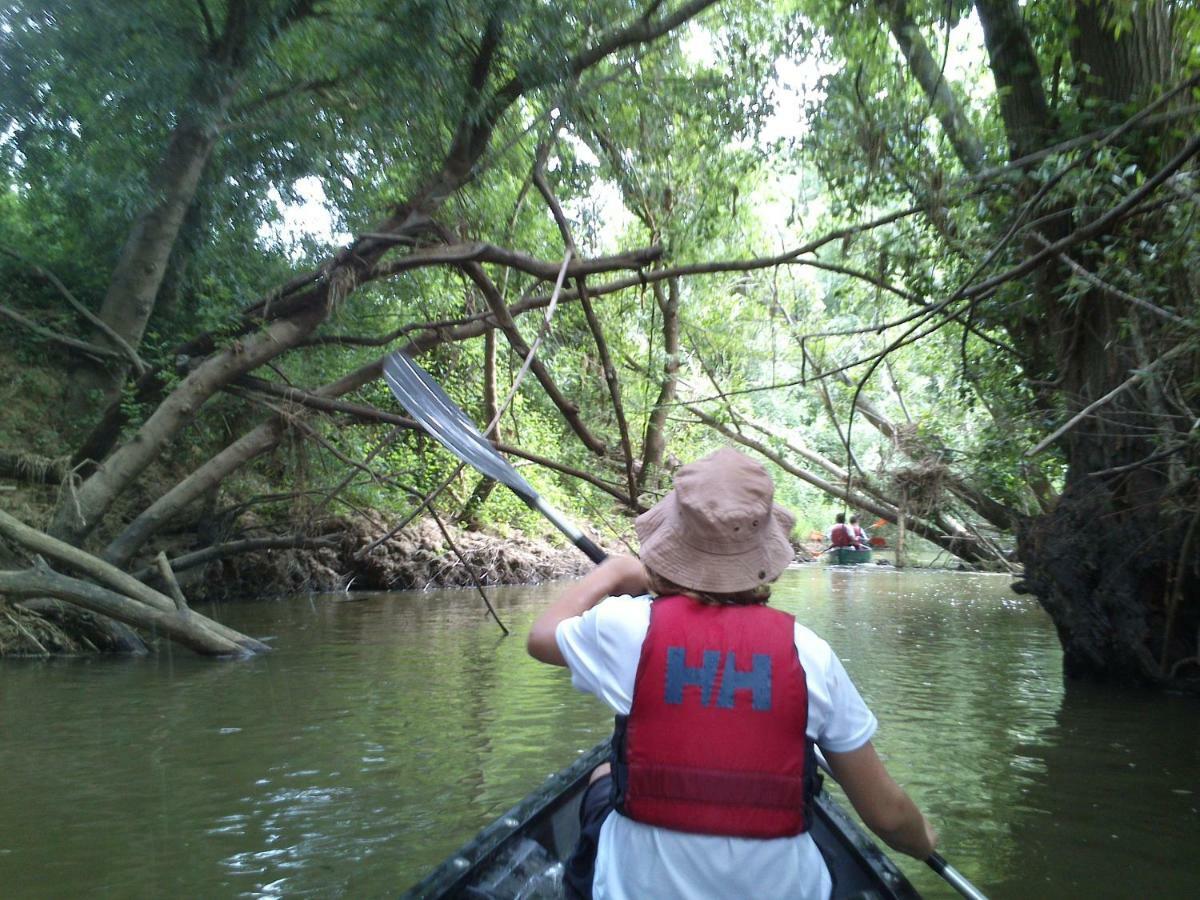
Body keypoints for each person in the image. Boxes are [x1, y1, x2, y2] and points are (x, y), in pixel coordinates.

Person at [527, 447, 937, 900]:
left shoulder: (624, 626)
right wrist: (924, 842)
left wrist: (611, 574)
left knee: (605, 772)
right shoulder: (811, 654)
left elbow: (541, 636)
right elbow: (888, 816)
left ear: (668, 544)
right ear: (763, 550)